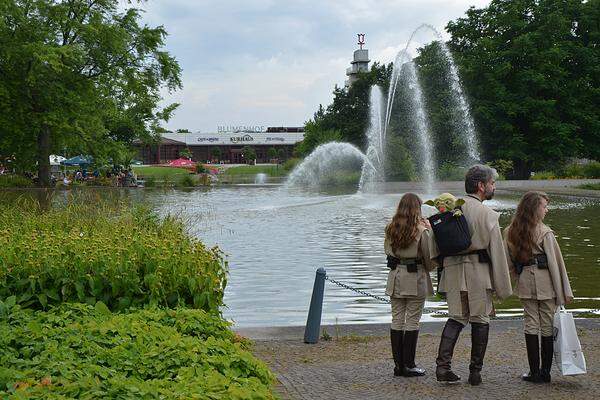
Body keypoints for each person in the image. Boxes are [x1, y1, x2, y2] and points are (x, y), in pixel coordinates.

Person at [432, 164, 512, 385]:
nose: (494, 186)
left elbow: (434, 247)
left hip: (453, 271)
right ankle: (475, 373)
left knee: (456, 317)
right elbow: (497, 252)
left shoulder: (448, 209)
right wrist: (503, 287)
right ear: (481, 185)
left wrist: (443, 267)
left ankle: (442, 368)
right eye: (492, 183)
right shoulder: (488, 215)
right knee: (480, 319)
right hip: (478, 272)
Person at [504, 191, 573, 383]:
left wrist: (511, 280)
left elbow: (508, 262)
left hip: (525, 280)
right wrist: (563, 291)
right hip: (545, 282)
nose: (547, 210)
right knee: (547, 324)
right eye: (544, 206)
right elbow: (557, 263)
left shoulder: (511, 231)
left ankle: (534, 372)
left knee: (531, 323)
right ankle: (545, 372)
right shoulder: (545, 232)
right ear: (535, 208)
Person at [384, 193, 435, 377]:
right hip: (415, 277)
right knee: (412, 320)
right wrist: (430, 231)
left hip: (396, 276)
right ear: (417, 209)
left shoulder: (390, 228)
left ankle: (398, 366)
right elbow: (430, 260)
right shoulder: (421, 231)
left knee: (397, 319)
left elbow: (388, 252)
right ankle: (409, 364)